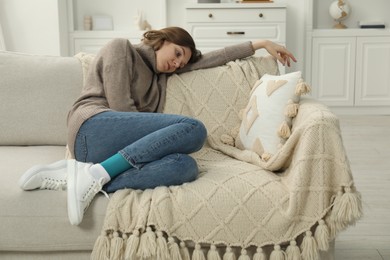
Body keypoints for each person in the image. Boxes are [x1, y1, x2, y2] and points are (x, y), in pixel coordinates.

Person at [18, 27, 296, 225]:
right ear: (161, 39)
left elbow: (210, 58)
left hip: (111, 150)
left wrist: (258, 44)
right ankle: (96, 173)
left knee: (184, 167)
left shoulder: (161, 76)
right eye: (176, 53)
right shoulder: (120, 48)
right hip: (91, 128)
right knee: (194, 129)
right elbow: (120, 109)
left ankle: (90, 176)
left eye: (181, 62)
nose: (176, 63)